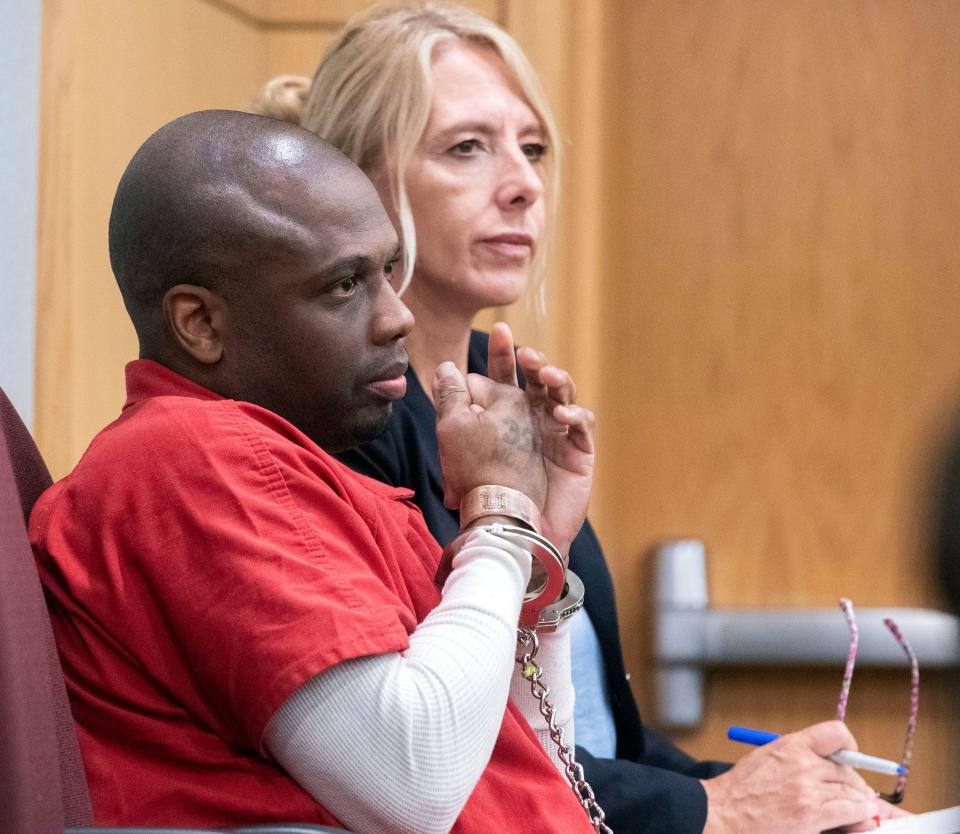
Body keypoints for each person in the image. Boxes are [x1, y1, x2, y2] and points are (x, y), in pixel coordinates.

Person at [255, 3, 903, 832]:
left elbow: (598, 741)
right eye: (467, 148)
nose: (524, 183)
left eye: (532, 147)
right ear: (357, 183)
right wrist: (715, 807)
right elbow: (462, 767)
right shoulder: (341, 427)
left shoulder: (513, 391)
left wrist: (785, 792)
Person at [30, 109, 603, 833]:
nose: (397, 318)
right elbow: (413, 783)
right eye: (344, 286)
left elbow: (516, 774)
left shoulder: (285, 464)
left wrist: (530, 548)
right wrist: (495, 513)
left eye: (389, 271)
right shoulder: (189, 462)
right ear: (201, 324)